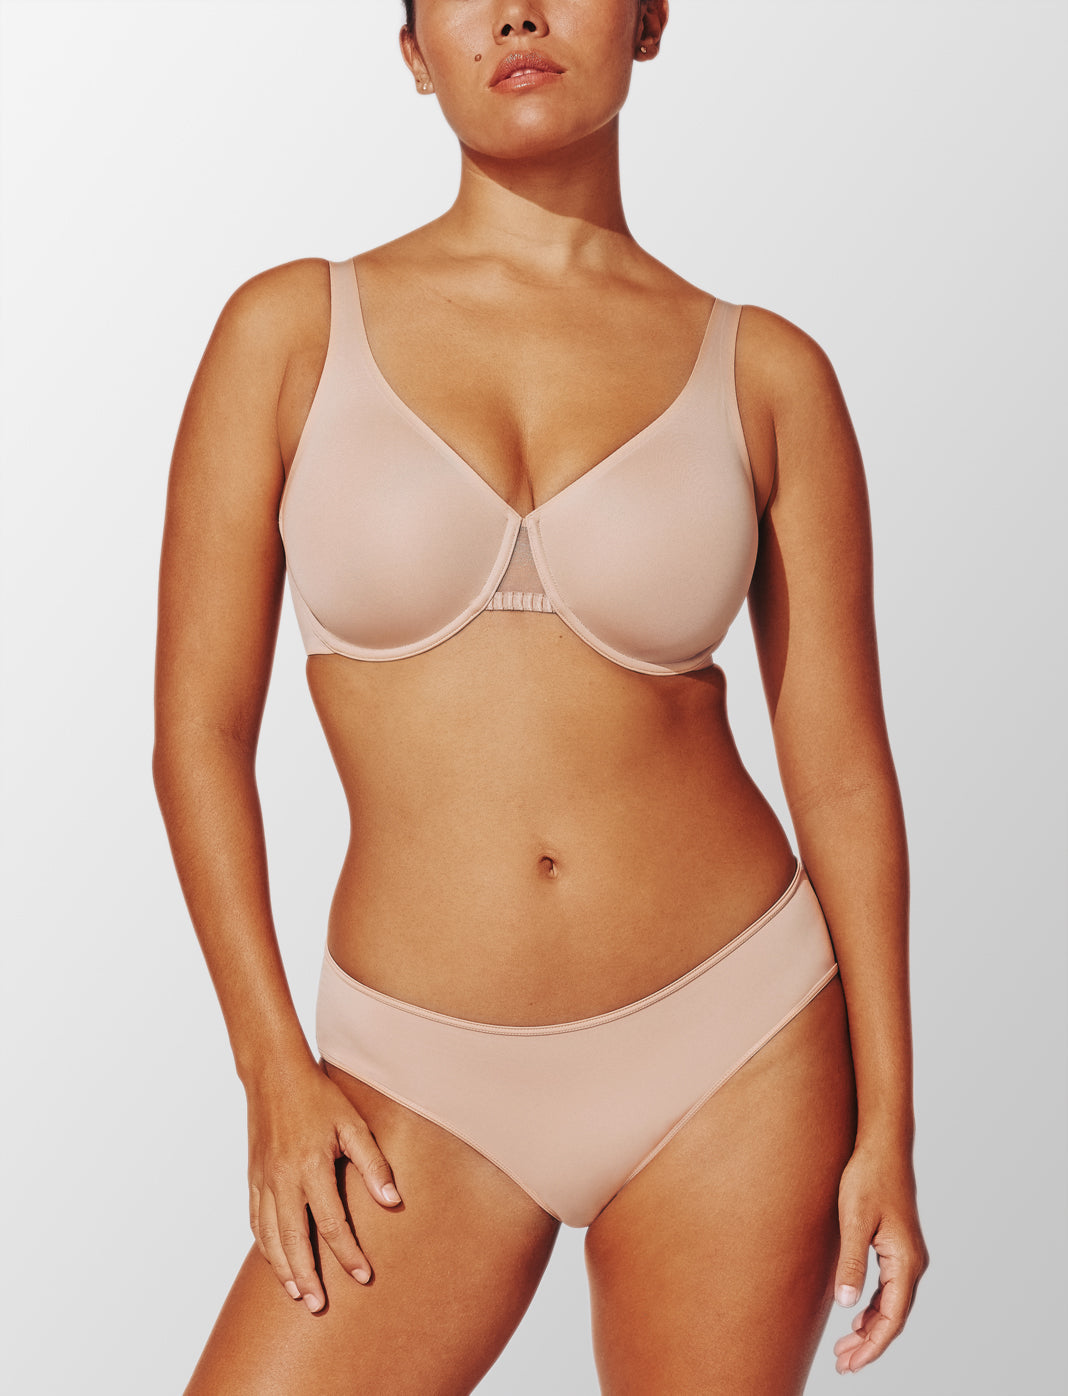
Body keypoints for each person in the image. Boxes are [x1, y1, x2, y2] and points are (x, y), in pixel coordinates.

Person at [153, 1, 928, 1389]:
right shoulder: (288, 332)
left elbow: (844, 774)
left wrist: (893, 1127)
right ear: (412, 51)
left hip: (738, 1043)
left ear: (648, 21)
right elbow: (196, 737)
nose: (517, 11)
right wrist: (270, 1069)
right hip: (413, 1073)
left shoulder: (769, 375)